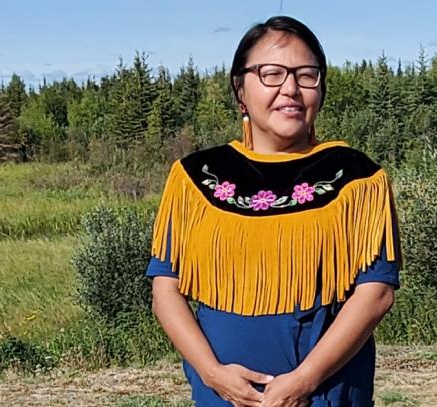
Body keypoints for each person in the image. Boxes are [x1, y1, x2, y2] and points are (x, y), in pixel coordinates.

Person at [146, 15, 402, 407]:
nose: (290, 89)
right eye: (271, 74)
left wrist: (304, 380)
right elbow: (165, 289)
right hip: (223, 395)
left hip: (323, 393)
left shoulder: (355, 177)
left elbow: (377, 292)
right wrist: (213, 374)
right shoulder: (196, 178)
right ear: (240, 89)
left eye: (306, 75)